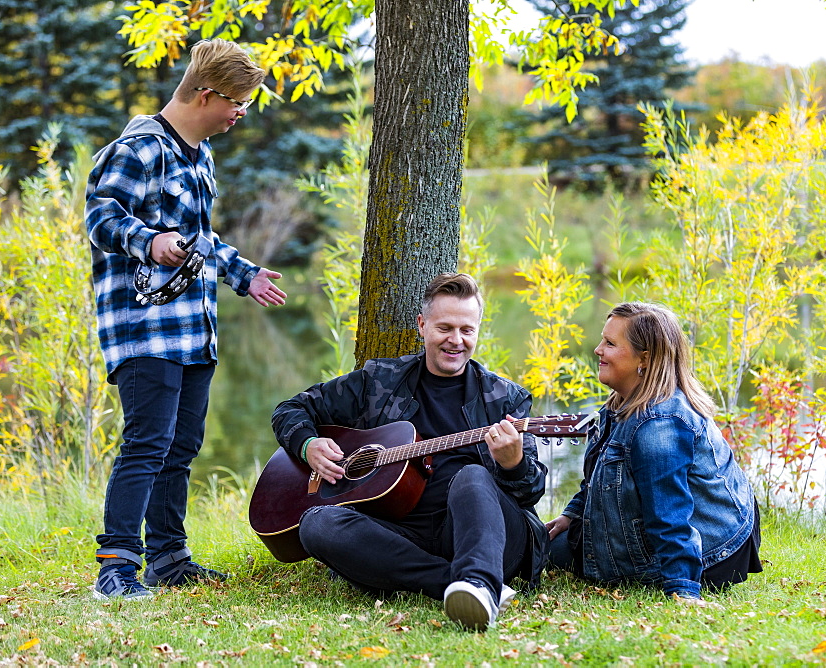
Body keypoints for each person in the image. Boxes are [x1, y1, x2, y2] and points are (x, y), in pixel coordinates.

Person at [85, 39, 287, 600]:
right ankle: (116, 570)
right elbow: (101, 216)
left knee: (181, 445)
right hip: (144, 326)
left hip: (194, 328)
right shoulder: (140, 149)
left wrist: (244, 275)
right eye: (237, 103)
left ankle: (168, 559)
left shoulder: (199, 156)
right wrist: (149, 242)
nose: (240, 114)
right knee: (147, 443)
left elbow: (200, 238)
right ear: (205, 94)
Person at [271, 273, 548, 630]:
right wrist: (308, 445)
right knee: (317, 523)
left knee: (472, 475)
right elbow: (291, 409)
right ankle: (457, 585)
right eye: (445, 328)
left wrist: (513, 465)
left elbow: (530, 494)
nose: (456, 341)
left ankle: (479, 580)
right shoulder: (380, 381)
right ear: (422, 325)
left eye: (467, 330)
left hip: (481, 537)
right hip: (397, 535)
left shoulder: (505, 398)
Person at [546, 302, 761, 603]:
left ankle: (681, 577)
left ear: (644, 359)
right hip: (658, 527)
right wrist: (572, 515)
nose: (598, 350)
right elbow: (598, 477)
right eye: (602, 340)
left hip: (712, 551)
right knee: (540, 546)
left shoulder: (659, 425)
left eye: (610, 343)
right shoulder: (620, 403)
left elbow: (669, 513)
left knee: (540, 553)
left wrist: (683, 589)